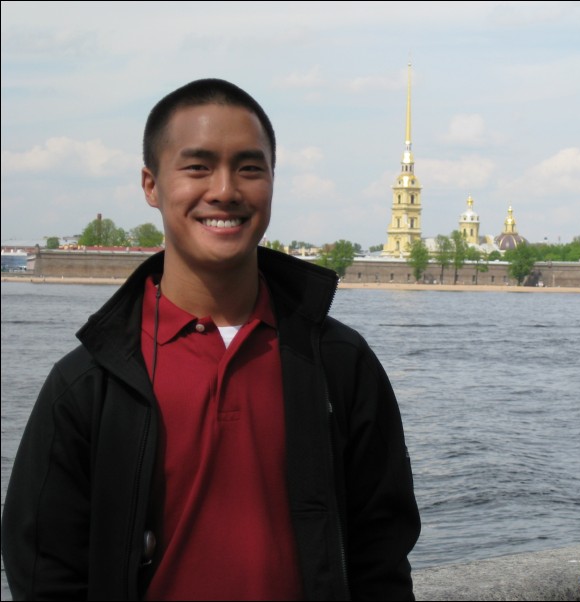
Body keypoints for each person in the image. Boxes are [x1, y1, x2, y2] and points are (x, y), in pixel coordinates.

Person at [1, 78, 420, 601]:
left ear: (272, 181)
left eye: (249, 168)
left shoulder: (339, 365)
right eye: (198, 167)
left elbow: (380, 554)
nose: (225, 190)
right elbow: (44, 571)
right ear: (151, 186)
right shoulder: (90, 383)